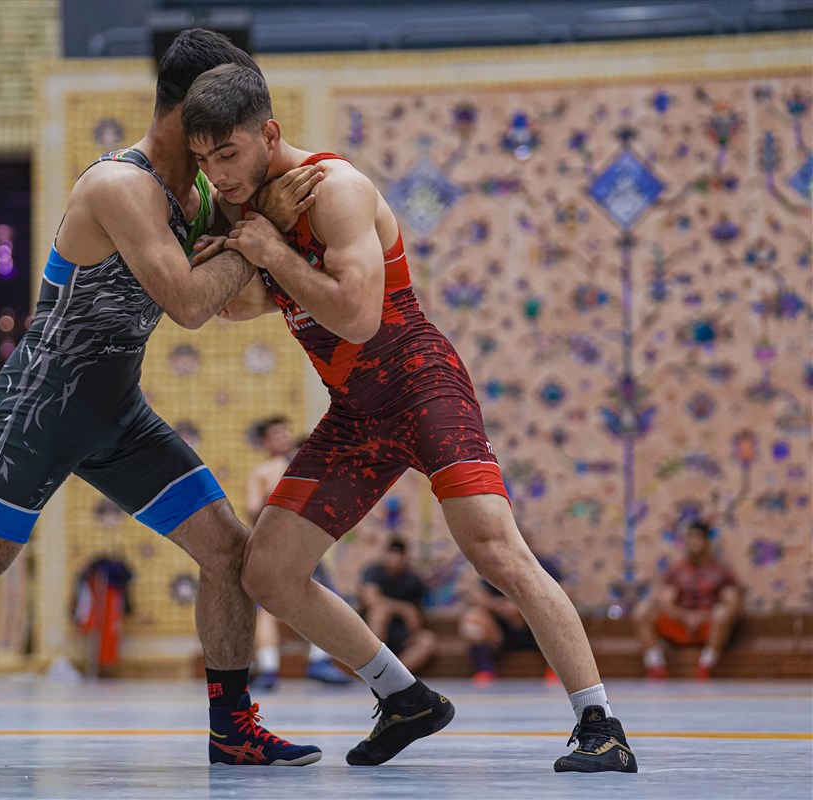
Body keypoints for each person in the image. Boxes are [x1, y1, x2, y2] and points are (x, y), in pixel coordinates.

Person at [0, 31, 323, 771]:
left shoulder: (198, 194)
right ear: (189, 107)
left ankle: (232, 727)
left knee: (227, 551)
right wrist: (261, 233)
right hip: (41, 408)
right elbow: (190, 302)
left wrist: (269, 242)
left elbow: (235, 289)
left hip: (118, 412)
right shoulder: (119, 185)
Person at [181, 63, 637, 773]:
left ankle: (601, 724)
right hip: (356, 412)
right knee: (267, 572)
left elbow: (358, 318)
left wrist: (268, 249)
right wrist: (249, 246)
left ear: (269, 134)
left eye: (229, 154)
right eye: (204, 161)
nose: (218, 175)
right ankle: (405, 698)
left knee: (494, 549)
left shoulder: (337, 190)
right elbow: (233, 307)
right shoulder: (245, 207)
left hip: (421, 384)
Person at [245, 416, 352, 689]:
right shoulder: (263, 472)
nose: (284, 436)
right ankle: (270, 668)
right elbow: (252, 510)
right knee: (267, 607)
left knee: (323, 598)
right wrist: (276, 495)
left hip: (306, 544)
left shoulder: (305, 465)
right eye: (277, 433)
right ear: (265, 442)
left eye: (286, 431)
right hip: (276, 544)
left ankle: (317, 661)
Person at [633, 518, 741, 680]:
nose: (693, 541)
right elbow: (666, 601)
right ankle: (656, 666)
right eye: (689, 537)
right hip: (680, 624)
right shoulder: (677, 571)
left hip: (708, 627)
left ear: (707, 541)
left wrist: (703, 616)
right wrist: (685, 616)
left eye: (697, 537)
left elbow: (733, 604)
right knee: (642, 611)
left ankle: (705, 667)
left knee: (722, 612)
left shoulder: (721, 572)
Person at [459, 549, 564, 684]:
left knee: (556, 616)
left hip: (537, 627)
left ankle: (556, 670)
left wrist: (523, 607)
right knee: (473, 619)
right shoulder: (494, 566)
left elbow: (565, 591)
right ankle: (485, 669)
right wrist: (499, 606)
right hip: (502, 627)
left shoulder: (542, 564)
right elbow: (476, 595)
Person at [358, 539, 437, 674]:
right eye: (391, 554)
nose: (394, 559)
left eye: (399, 555)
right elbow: (371, 600)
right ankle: (374, 665)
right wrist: (403, 608)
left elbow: (416, 620)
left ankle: (394, 674)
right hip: (373, 634)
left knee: (427, 640)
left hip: (402, 635)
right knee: (380, 612)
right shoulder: (373, 572)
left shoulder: (413, 580)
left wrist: (407, 613)